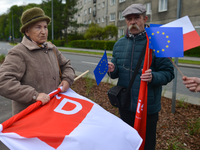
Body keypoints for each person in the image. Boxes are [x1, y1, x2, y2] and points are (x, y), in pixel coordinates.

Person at [107, 4, 174, 150]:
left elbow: (169, 73)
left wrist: (153, 77)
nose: (132, 22)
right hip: (125, 104)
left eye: (136, 18)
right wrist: (111, 69)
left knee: (147, 144)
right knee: (128, 143)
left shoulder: (158, 41)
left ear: (145, 18)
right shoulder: (119, 44)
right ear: (125, 21)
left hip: (147, 107)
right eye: (129, 19)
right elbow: (116, 74)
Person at [0, 7, 75, 115]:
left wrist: (67, 79)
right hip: (30, 116)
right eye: (38, 27)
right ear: (27, 31)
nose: (43, 32)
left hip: (52, 110)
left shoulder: (51, 48)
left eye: (45, 27)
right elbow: (3, 82)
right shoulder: (18, 52)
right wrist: (34, 95)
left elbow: (66, 65)